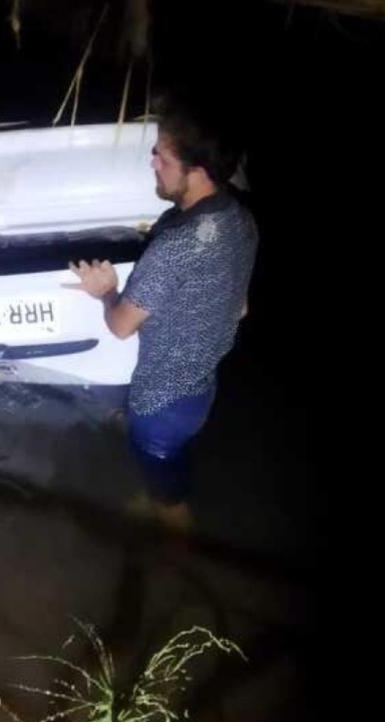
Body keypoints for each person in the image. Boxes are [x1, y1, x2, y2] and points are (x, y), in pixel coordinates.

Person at [66, 103, 259, 530]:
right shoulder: (241, 220)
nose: (152, 163)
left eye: (162, 157)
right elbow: (241, 308)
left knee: (170, 502)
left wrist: (106, 291)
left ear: (198, 171)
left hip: (159, 409)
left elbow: (120, 327)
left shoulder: (174, 247)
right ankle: (161, 492)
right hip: (201, 391)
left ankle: (178, 565)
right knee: (168, 470)